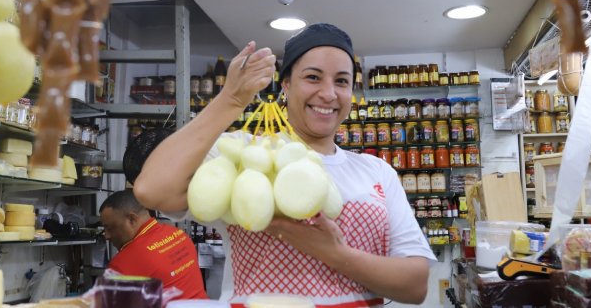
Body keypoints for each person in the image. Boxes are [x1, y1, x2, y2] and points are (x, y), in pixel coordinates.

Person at [134, 23, 435, 307]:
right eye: (313, 77)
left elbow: (415, 285)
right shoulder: (244, 156)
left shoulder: (375, 170)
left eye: (341, 81)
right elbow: (152, 190)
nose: (329, 94)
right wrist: (231, 99)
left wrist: (332, 252)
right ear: (286, 85)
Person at [99, 190, 208, 300]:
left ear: (131, 219)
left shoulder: (121, 265)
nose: (107, 236)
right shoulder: (179, 234)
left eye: (110, 228)